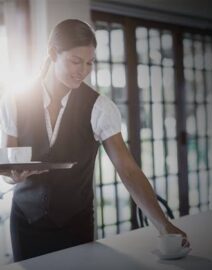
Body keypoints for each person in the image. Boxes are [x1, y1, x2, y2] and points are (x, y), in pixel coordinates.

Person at [0, 19, 189, 262]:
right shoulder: (14, 100)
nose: (83, 70)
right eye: (76, 61)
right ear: (53, 53)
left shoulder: (100, 108)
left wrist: (164, 225)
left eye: (89, 63)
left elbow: (128, 170)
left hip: (74, 226)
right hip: (25, 222)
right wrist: (11, 175)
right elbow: (8, 162)